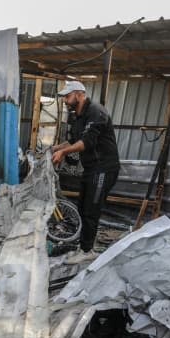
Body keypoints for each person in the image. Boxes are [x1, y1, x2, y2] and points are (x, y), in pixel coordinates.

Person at [51, 81, 120, 264]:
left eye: (67, 96)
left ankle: (87, 250)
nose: (65, 100)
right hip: (91, 168)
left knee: (91, 208)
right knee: (82, 206)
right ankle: (85, 245)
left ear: (79, 94)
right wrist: (54, 149)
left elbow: (86, 142)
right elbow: (73, 141)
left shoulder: (96, 112)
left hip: (104, 168)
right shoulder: (78, 116)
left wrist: (63, 153)